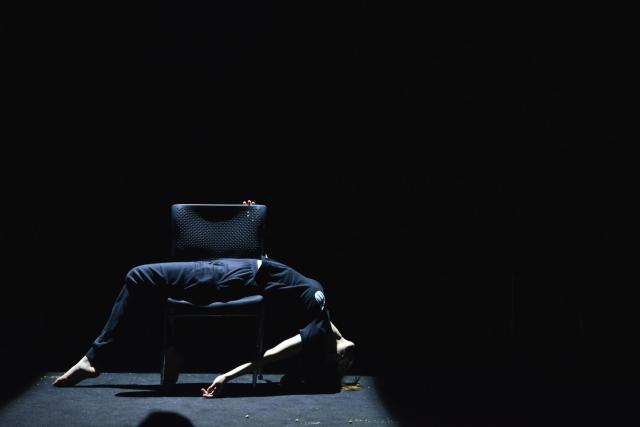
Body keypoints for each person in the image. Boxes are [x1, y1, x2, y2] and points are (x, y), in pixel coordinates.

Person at [53, 201, 356, 398]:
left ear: (330, 358)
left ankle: (95, 358)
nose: (348, 356)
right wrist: (250, 223)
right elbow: (334, 332)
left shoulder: (318, 325)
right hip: (231, 272)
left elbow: (269, 356)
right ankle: (172, 347)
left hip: (227, 277)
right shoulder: (321, 313)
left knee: (138, 276)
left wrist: (227, 376)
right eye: (346, 359)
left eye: (343, 361)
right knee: (146, 283)